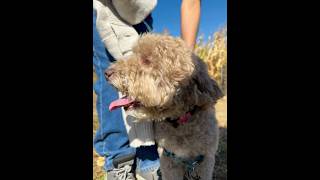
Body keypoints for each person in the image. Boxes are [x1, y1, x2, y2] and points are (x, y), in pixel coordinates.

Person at [93, 0, 201, 179]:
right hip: (100, 8)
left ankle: (148, 160)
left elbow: (191, 3)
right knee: (110, 74)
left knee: (149, 79)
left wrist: (187, 61)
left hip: (140, 12)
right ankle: (119, 161)